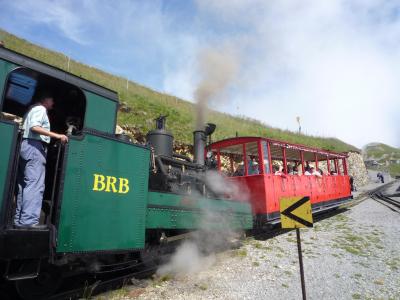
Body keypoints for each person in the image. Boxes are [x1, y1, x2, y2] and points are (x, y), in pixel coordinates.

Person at [14, 92, 68, 228]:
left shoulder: (30, 110)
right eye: (51, 100)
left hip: (26, 146)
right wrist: (57, 135)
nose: (53, 103)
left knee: (24, 185)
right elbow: (35, 127)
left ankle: (19, 220)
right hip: (34, 146)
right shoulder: (40, 109)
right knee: (35, 184)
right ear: (45, 100)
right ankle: (29, 221)